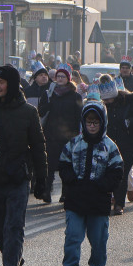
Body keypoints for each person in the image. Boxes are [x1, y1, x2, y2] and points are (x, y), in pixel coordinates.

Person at [0, 65, 47, 266]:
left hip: (19, 178)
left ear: (11, 84)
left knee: (14, 226)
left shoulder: (28, 111)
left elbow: (38, 146)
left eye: (2, 82)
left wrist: (42, 180)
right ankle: (14, 255)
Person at [54, 94, 124, 266]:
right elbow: (64, 164)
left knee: (99, 239)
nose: (92, 125)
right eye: (88, 121)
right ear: (83, 122)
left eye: (96, 122)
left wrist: (103, 186)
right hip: (75, 200)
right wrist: (71, 181)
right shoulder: (74, 143)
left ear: (102, 122)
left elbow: (117, 170)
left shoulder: (110, 146)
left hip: (98, 202)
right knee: (72, 237)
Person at [99, 76, 133, 213]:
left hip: (129, 143)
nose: (107, 102)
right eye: (105, 100)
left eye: (109, 99)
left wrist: (129, 122)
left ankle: (119, 205)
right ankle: (107, 200)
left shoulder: (130, 99)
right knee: (108, 172)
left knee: (121, 172)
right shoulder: (103, 106)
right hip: (110, 144)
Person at [38, 66, 82, 204]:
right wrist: (49, 101)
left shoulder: (75, 95)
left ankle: (65, 193)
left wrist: (77, 135)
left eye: (63, 77)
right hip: (51, 135)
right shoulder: (49, 94)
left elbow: (79, 116)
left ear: (68, 79)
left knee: (67, 165)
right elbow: (41, 111)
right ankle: (47, 191)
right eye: (58, 77)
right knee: (50, 165)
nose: (60, 79)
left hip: (69, 136)